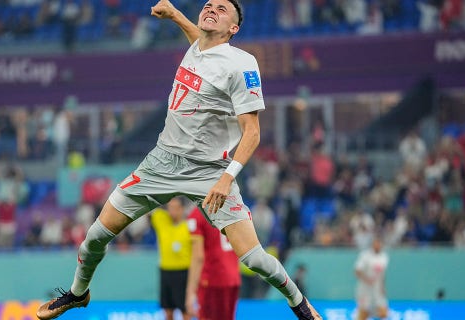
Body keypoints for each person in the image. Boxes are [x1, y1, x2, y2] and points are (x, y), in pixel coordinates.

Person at [36, 1, 322, 319]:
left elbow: (252, 132)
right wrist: (173, 15)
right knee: (95, 237)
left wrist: (227, 178)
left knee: (254, 258)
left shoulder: (242, 63)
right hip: (161, 162)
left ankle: (299, 302)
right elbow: (197, 35)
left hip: (211, 172)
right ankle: (78, 293)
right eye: (208, 5)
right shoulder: (198, 45)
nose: (211, 8)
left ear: (234, 29)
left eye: (222, 9)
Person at [185, 207, 241, 320]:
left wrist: (190, 292)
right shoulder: (230, 207)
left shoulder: (197, 214)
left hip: (212, 279)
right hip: (233, 277)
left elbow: (198, 257)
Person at [151, 197, 192, 320]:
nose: (172, 211)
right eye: (170, 208)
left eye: (176, 208)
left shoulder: (189, 226)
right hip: (166, 272)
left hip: (184, 273)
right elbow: (150, 205)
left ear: (183, 209)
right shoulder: (161, 219)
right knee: (168, 311)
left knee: (185, 310)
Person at [354, 237, 389, 320]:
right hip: (365, 289)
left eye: (379, 243)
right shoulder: (365, 255)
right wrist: (367, 280)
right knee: (363, 313)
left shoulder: (384, 257)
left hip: (377, 289)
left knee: (383, 313)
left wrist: (383, 287)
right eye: (375, 243)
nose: (377, 245)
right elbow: (357, 271)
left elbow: (382, 274)